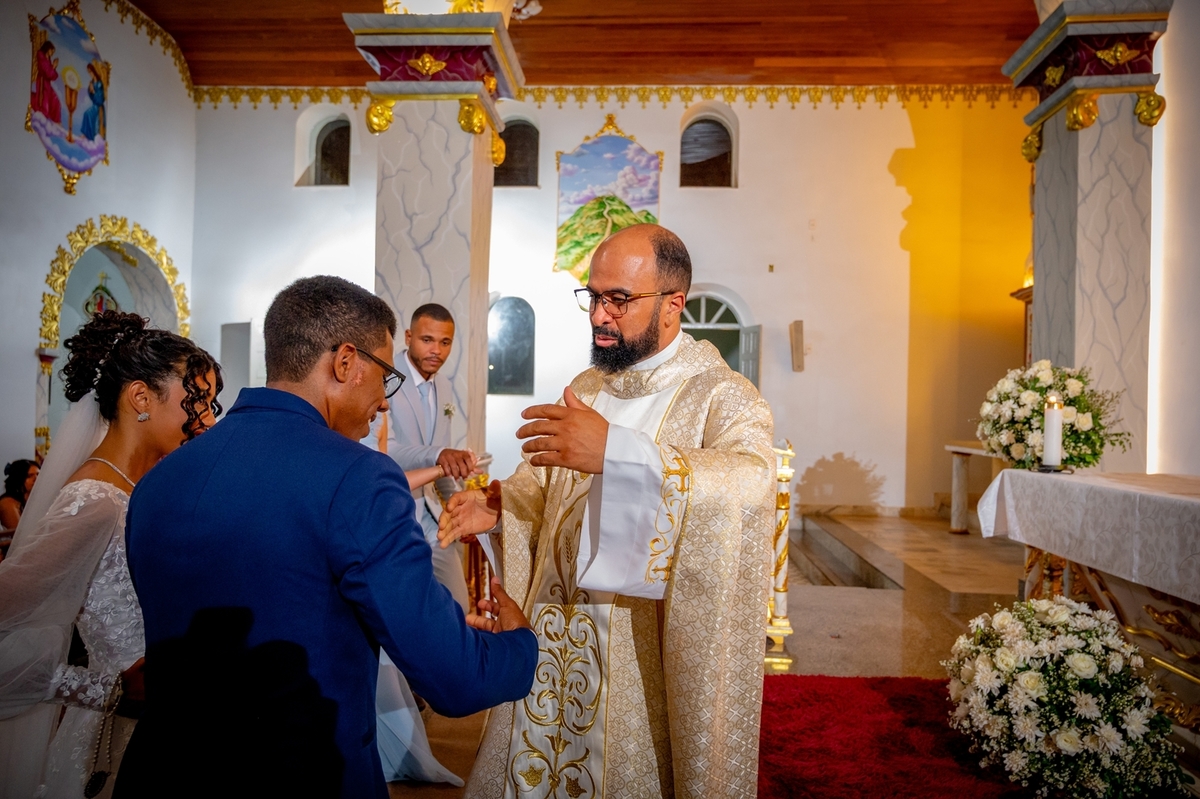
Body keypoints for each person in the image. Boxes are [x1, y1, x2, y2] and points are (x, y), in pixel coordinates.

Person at [118, 275, 537, 799]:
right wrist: (521, 646)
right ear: (344, 362)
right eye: (384, 376)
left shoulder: (158, 482)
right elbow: (452, 677)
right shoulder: (359, 478)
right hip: (302, 773)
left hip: (163, 773)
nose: (383, 404)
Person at [439, 224, 776, 799]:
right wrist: (501, 505)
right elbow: (546, 491)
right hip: (552, 648)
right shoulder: (589, 387)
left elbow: (750, 485)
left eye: (619, 299)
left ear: (673, 304)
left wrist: (618, 455)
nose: (599, 315)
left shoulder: (721, 395)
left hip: (637, 663)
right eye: (593, 297)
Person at [0, 310, 222, 799]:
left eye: (211, 405)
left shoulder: (146, 487)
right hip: (115, 737)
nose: (206, 419)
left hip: (180, 718)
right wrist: (105, 688)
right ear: (141, 398)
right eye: (197, 401)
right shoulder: (94, 501)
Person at [377, 302, 475, 611]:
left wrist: (458, 508)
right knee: (402, 614)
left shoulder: (443, 384)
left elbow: (443, 464)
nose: (437, 350)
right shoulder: (385, 377)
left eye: (445, 342)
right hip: (397, 516)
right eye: (427, 340)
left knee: (459, 607)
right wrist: (439, 455)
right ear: (408, 337)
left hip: (434, 519)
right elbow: (387, 451)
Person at [0, 459, 39, 556]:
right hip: (14, 553)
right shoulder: (8, 503)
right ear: (19, 479)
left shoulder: (33, 499)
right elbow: (19, 534)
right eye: (30, 476)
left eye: (38, 474)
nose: (36, 479)